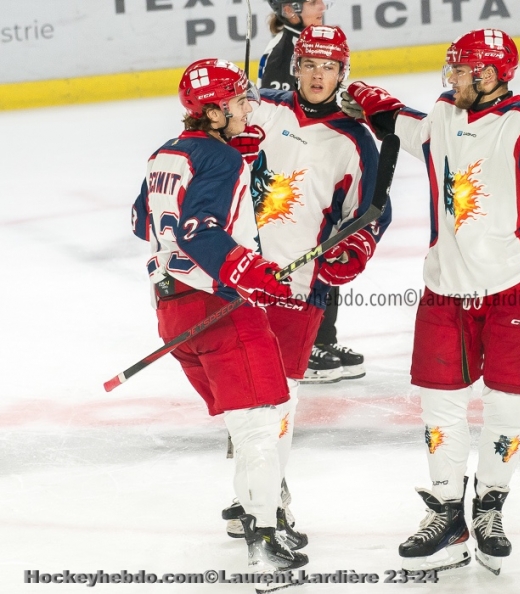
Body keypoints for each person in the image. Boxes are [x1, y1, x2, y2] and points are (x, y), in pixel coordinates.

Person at [342, 28, 520, 574]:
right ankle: (447, 510)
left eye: (462, 71)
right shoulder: (444, 113)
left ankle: (490, 504)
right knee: (440, 404)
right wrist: (376, 106)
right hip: (446, 286)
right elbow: (410, 128)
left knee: (509, 403)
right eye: (453, 69)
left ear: (489, 75)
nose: (452, 78)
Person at [131, 58, 307, 574]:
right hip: (220, 307)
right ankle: (265, 543)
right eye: (237, 101)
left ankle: (247, 514)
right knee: (259, 425)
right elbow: (200, 232)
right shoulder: (222, 159)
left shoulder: (166, 152)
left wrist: (224, 163)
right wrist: (252, 270)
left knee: (246, 420)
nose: (247, 107)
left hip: (172, 311)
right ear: (213, 110)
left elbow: (142, 219)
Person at [221, 24, 391, 545]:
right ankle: (256, 494)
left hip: (298, 286)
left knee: (279, 400)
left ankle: (264, 498)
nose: (319, 76)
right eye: (310, 64)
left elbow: (368, 213)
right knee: (242, 397)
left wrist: (354, 248)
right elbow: (206, 140)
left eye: (330, 67)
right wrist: (231, 136)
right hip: (234, 277)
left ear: (343, 72)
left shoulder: (355, 139)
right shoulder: (262, 109)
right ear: (294, 66)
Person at [258, 0, 365, 384]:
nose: (322, 6)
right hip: (287, 170)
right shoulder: (282, 53)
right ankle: (312, 340)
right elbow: (272, 114)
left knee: (328, 239)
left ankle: (324, 336)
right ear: (290, 10)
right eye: (311, 2)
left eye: (329, 67)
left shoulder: (309, 43)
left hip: (315, 163)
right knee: (298, 245)